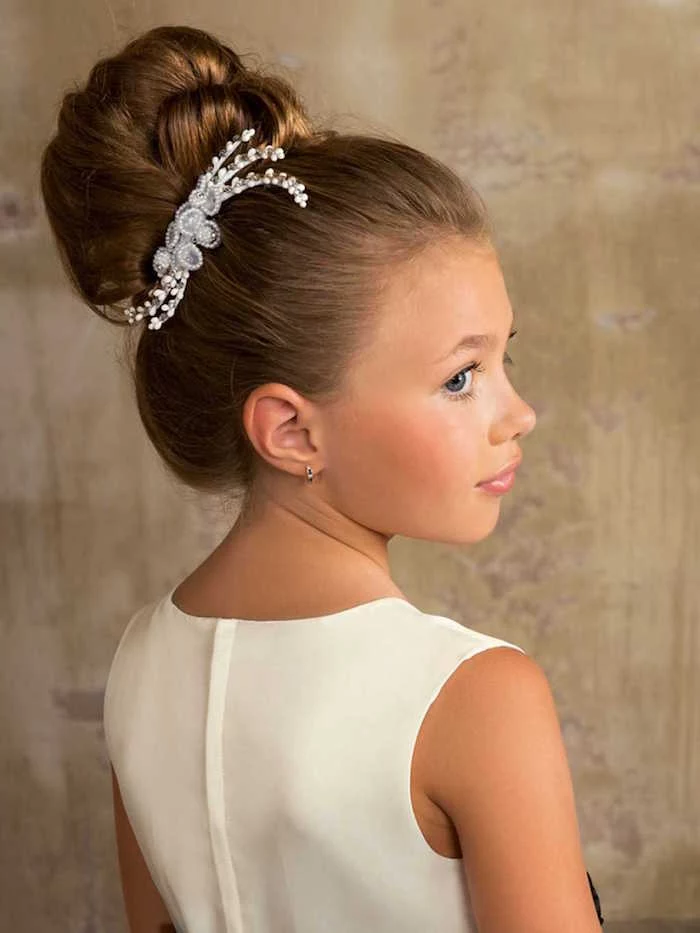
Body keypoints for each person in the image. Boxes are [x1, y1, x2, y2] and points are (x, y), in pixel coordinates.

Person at [40, 24, 604, 933]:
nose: (518, 412)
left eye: (505, 359)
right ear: (292, 430)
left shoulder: (140, 666)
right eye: (461, 377)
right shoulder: (475, 697)